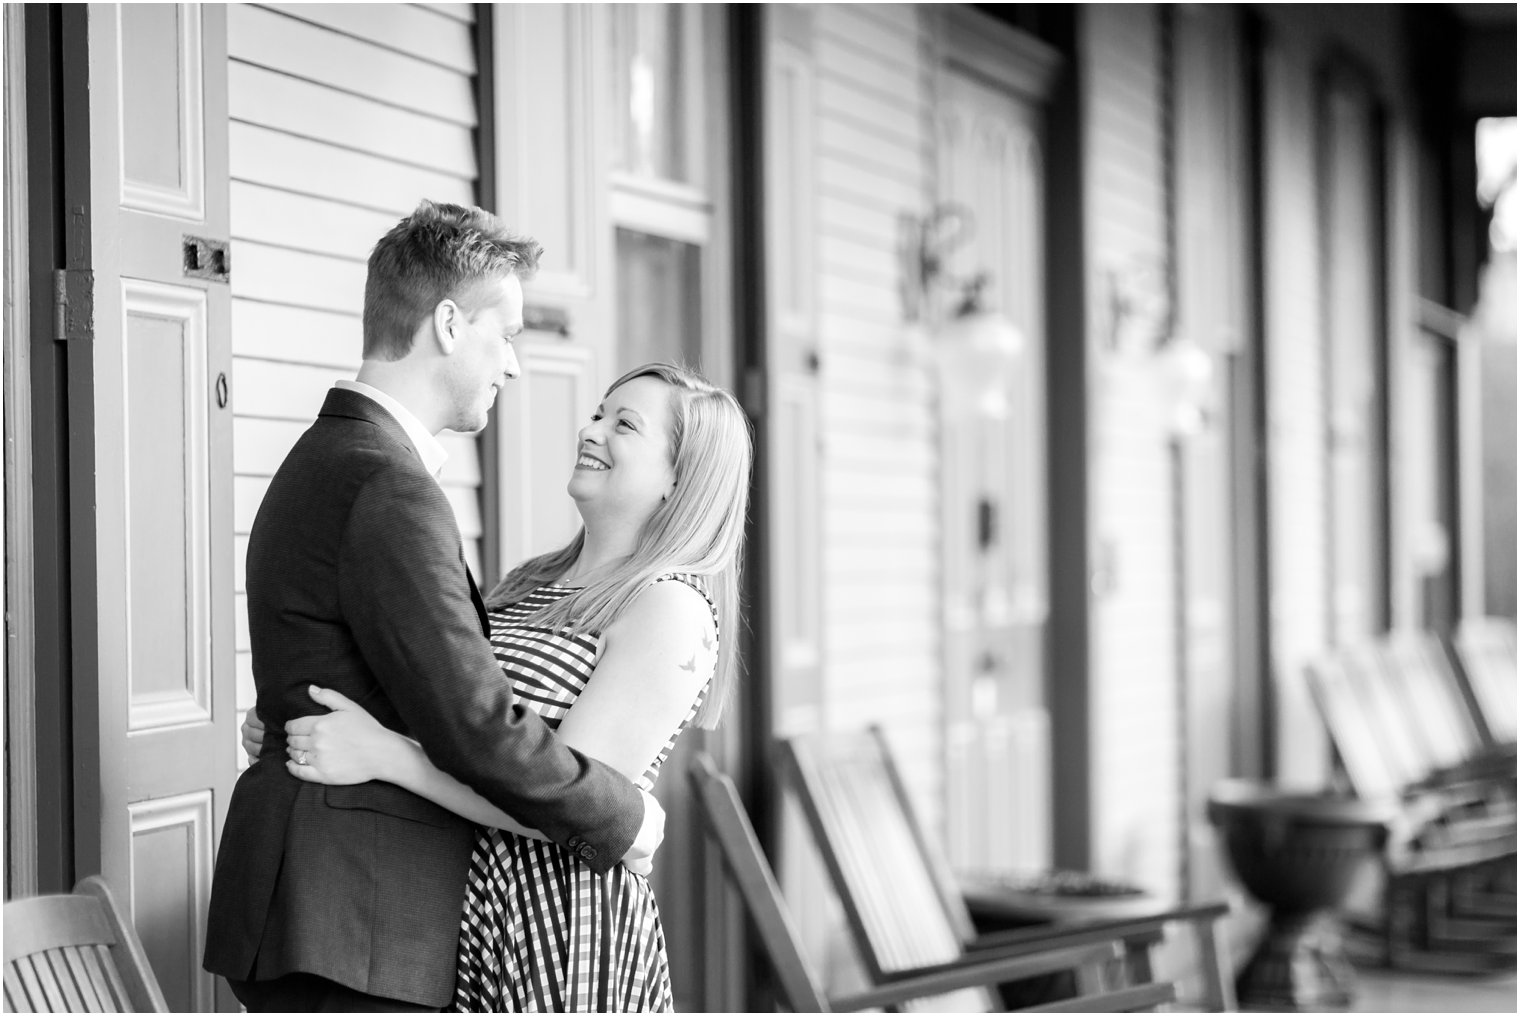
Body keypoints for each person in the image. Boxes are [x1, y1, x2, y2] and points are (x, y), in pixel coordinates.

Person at [203, 200, 664, 1013]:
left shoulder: (329, 456)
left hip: (326, 902)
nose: (515, 364)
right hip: (356, 919)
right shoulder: (387, 485)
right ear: (450, 324)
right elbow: (475, 724)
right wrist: (624, 818)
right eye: (508, 333)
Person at [243, 362, 752, 1012]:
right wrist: (300, 721)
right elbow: (458, 725)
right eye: (599, 412)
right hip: (450, 891)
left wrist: (385, 755)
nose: (591, 430)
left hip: (550, 916)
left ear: (681, 478)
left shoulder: (666, 608)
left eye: (624, 425)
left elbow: (564, 800)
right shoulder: (530, 581)